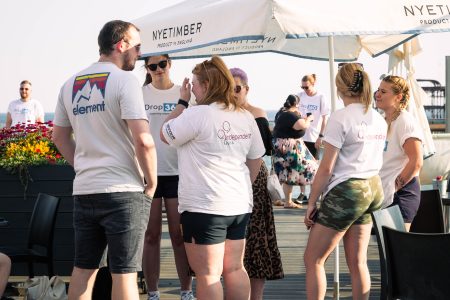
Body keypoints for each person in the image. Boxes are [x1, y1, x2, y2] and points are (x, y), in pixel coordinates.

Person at [52, 20, 157, 300]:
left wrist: (83, 167)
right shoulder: (125, 81)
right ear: (121, 45)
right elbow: (144, 140)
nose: (140, 54)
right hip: (123, 191)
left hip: (85, 190)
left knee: (83, 270)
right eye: (137, 47)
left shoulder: (69, 84)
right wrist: (151, 182)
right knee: (124, 274)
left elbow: (59, 137)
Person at [160, 56, 265, 299]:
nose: (192, 89)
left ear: (206, 85)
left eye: (195, 84)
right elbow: (256, 158)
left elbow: (165, 133)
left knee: (208, 275)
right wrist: (243, 185)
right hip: (238, 204)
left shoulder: (197, 114)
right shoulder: (244, 116)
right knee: (235, 268)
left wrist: (181, 102)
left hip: (205, 207)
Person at [304, 63, 387, 300]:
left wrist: (311, 202)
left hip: (348, 191)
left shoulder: (340, 118)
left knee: (314, 259)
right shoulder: (377, 118)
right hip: (372, 187)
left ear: (340, 88)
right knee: (358, 261)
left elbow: (326, 167)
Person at [141, 54, 193, 300]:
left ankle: (186, 291)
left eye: (163, 64)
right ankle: (152, 293)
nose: (159, 69)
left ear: (170, 65)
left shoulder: (182, 94)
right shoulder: (141, 94)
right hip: (148, 173)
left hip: (177, 171)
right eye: (153, 66)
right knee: (150, 235)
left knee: (178, 234)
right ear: (147, 69)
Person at [230, 67, 284, 300]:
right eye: (228, 88)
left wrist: (248, 187)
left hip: (254, 181)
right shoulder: (224, 113)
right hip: (230, 179)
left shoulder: (257, 113)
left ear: (247, 89)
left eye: (237, 88)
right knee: (233, 245)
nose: (233, 93)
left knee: (257, 242)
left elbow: (261, 152)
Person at [375, 75, 423, 231]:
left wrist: (395, 188)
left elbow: (416, 162)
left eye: (383, 91)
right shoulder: (382, 121)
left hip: (402, 194)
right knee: (386, 249)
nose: (377, 94)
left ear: (398, 97)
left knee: (398, 249)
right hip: (384, 193)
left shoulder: (405, 121)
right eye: (378, 90)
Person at [272, 95, 316, 209]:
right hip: (289, 147)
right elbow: (302, 125)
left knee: (286, 173)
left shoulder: (281, 112)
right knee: (312, 168)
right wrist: (309, 119)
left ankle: (287, 201)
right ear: (297, 104)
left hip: (281, 145)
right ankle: (314, 199)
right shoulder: (289, 114)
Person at [296, 74, 330, 203]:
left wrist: (321, 136)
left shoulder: (321, 97)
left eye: (307, 87)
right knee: (300, 166)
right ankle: (302, 194)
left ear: (313, 84)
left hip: (314, 136)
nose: (304, 89)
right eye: (302, 87)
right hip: (301, 135)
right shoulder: (300, 96)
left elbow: (325, 118)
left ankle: (313, 194)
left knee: (313, 167)